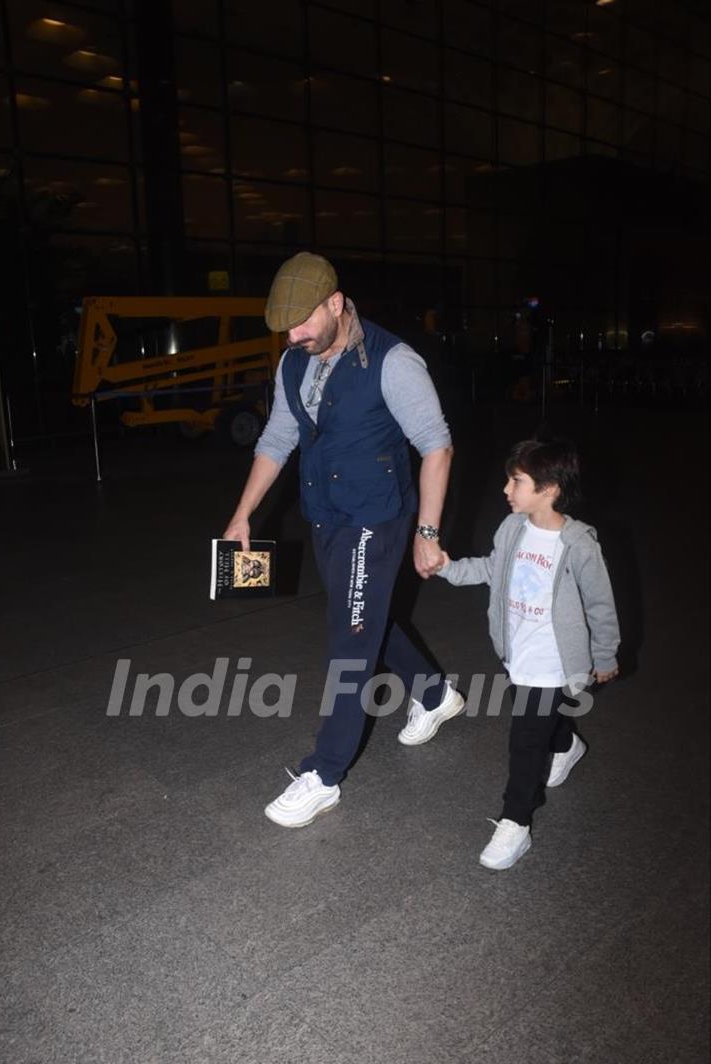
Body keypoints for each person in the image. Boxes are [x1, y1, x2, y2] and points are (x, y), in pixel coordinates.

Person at [223, 251, 465, 827]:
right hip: (325, 513)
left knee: (350, 640)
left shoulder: (393, 361)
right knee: (362, 616)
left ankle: (324, 773)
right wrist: (242, 516)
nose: (294, 335)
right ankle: (434, 694)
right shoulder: (293, 362)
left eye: (304, 321)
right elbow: (277, 439)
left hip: (375, 518)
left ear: (336, 303)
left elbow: (437, 446)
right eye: (286, 327)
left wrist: (426, 533)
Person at [435, 438, 619, 870]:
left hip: (554, 660)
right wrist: (447, 568)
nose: (506, 489)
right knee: (538, 723)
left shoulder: (578, 546)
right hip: (516, 653)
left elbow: (600, 604)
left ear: (550, 488)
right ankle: (567, 742)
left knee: (524, 741)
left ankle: (515, 821)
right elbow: (489, 568)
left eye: (516, 481)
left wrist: (605, 655)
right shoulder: (512, 528)